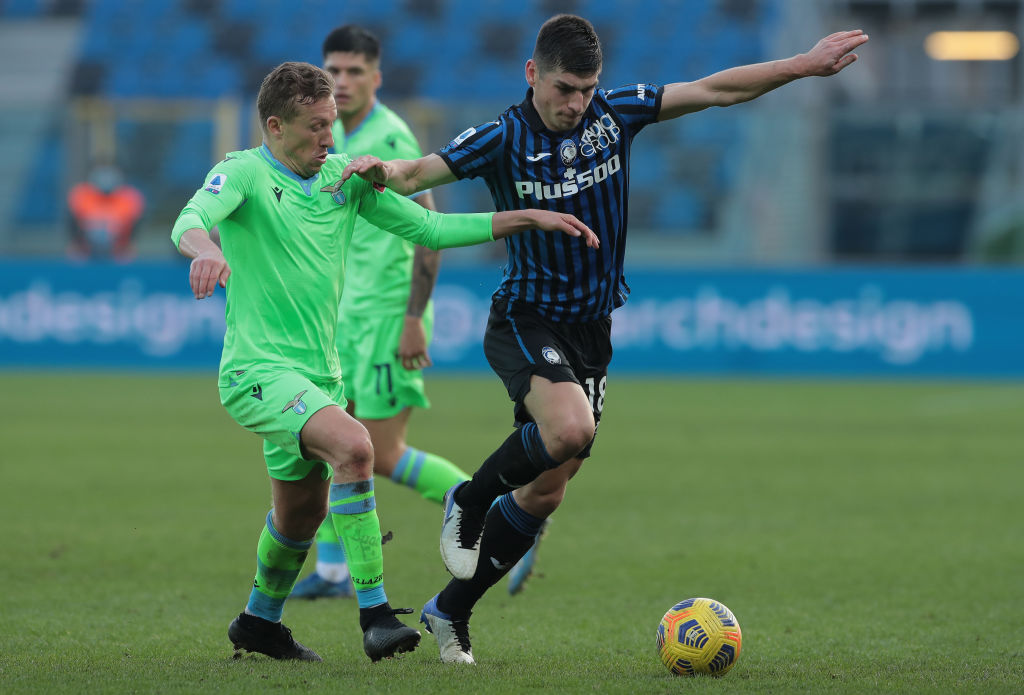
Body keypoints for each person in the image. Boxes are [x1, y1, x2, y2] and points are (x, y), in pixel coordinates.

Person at [341, 15, 869, 664]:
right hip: (526, 319)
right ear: (532, 74)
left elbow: (714, 90)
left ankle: (450, 609)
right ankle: (468, 499)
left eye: (587, 89)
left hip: (591, 330)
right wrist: (376, 169)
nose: (576, 103)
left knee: (548, 489)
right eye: (564, 88)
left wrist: (800, 64)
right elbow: (419, 173)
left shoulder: (612, 116)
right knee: (569, 430)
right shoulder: (503, 135)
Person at [170, 61, 598, 663]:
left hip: (320, 375)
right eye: (317, 127)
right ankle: (375, 616)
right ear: (275, 125)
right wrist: (204, 251)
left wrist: (526, 217)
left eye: (334, 124)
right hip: (256, 373)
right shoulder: (241, 172)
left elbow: (429, 226)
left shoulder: (342, 182)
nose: (330, 138)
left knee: (299, 518)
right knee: (358, 447)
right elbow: (190, 221)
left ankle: (258, 623)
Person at [67, 163, 144, 261]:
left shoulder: (130, 198)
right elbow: (73, 227)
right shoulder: (81, 195)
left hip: (119, 250)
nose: (106, 178)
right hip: (85, 249)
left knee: (127, 256)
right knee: (76, 255)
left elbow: (134, 230)